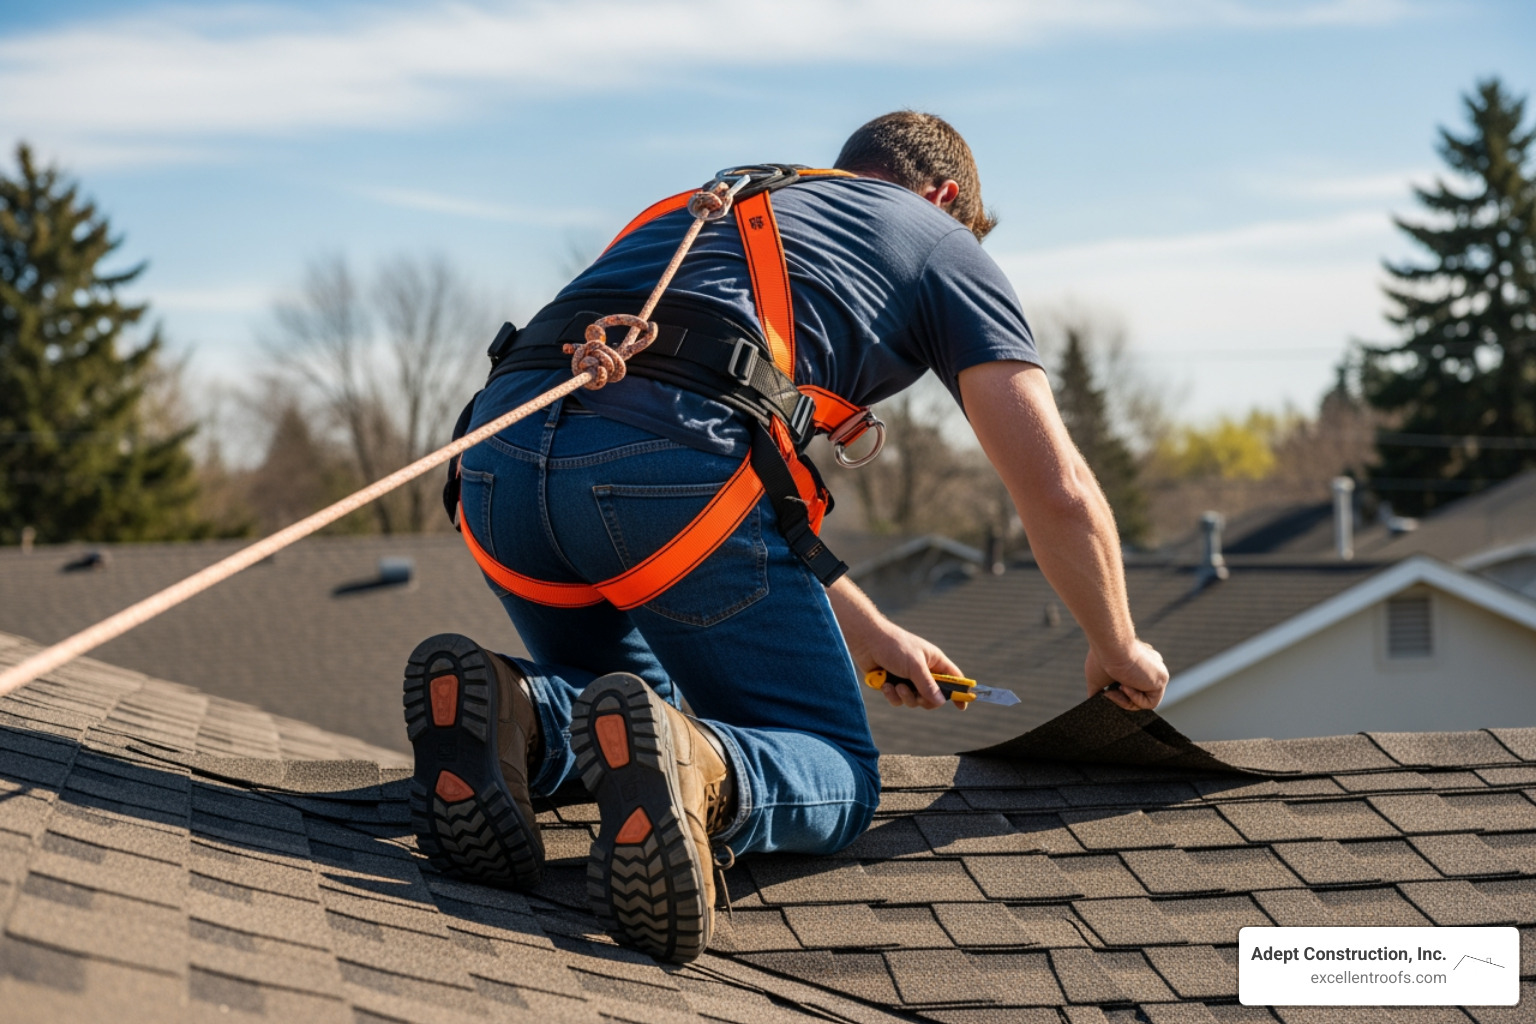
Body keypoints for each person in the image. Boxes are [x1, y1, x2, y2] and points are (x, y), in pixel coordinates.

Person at [402, 112, 1169, 964]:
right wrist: (1116, 643)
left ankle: (515, 711)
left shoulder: (721, 202)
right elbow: (1055, 487)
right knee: (835, 767)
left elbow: (738, 463)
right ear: (946, 197)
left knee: (630, 708)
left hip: (494, 468)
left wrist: (874, 632)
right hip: (664, 482)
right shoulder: (943, 243)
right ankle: (704, 771)